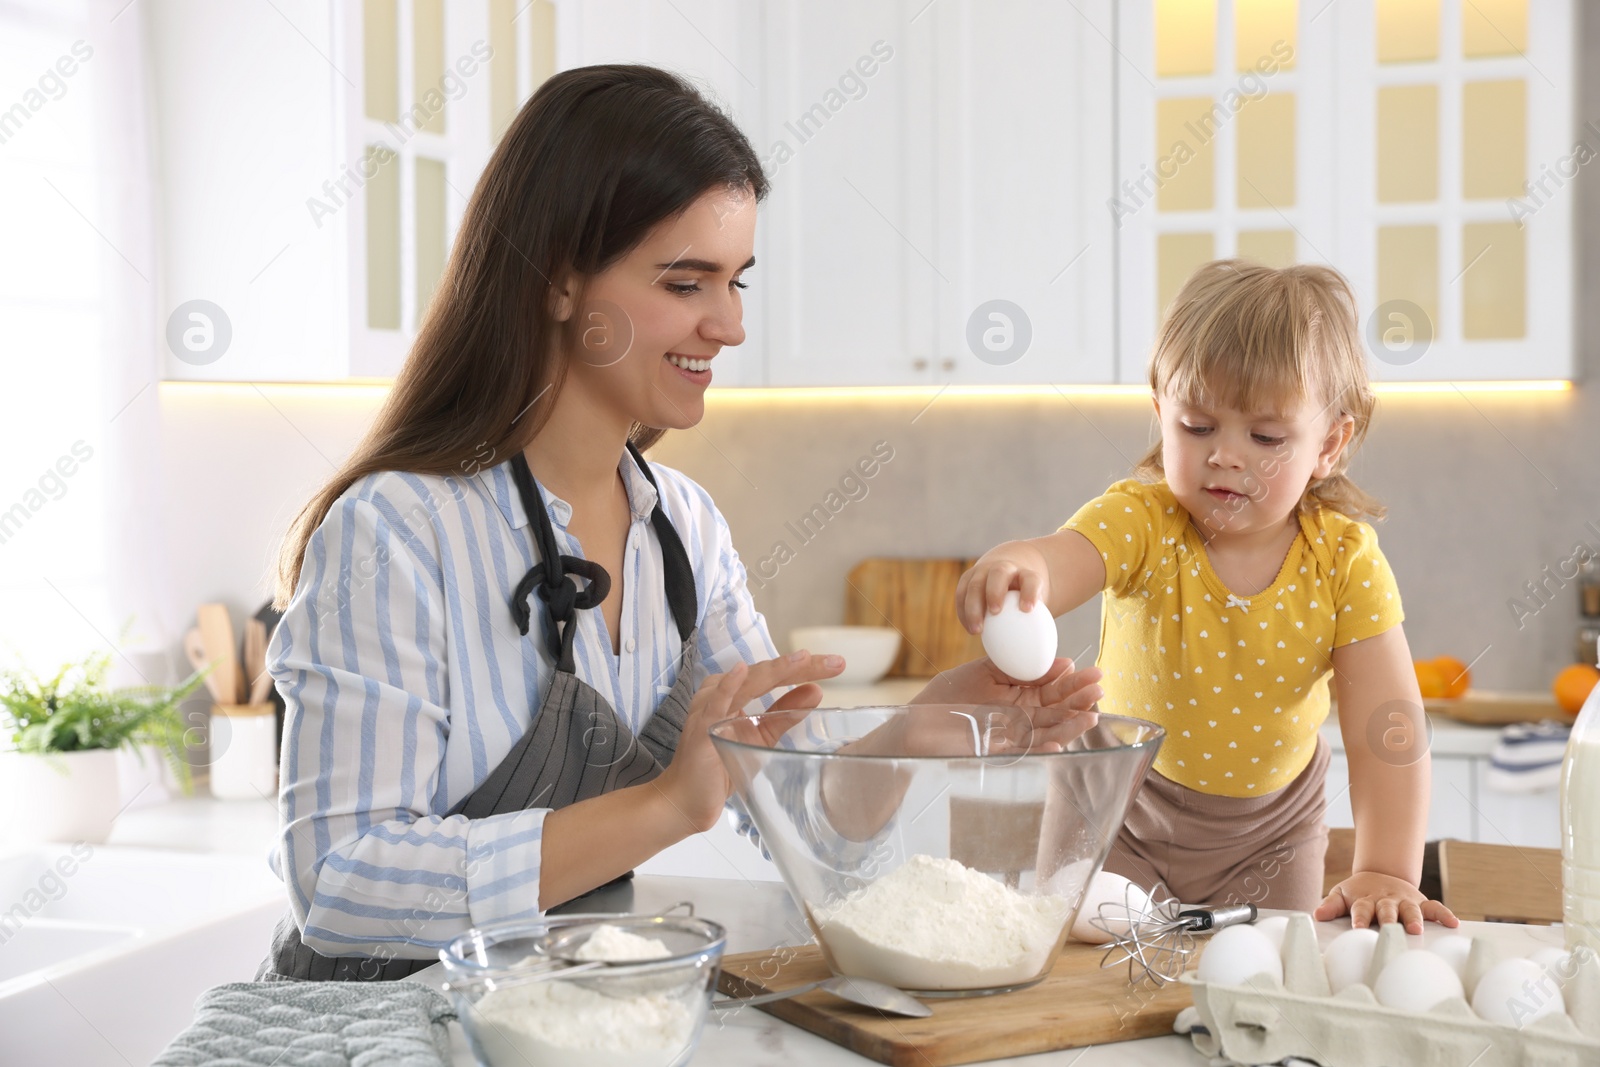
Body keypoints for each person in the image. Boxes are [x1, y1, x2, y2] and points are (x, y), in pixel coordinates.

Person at [256, 64, 1103, 981]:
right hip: (378, 1021)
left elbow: (801, 819)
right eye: (687, 282)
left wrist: (915, 731)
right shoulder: (396, 533)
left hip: (559, 1019)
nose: (729, 325)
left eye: (736, 281)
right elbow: (340, 886)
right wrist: (665, 805)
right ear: (558, 280)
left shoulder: (685, 532)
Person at [957, 260, 1459, 934]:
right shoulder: (1142, 520)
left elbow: (1388, 727)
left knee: (1256, 990)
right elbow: (1064, 558)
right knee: (1086, 976)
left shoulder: (1344, 562)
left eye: (1266, 437)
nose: (1226, 455)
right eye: (1198, 427)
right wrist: (1020, 565)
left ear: (1329, 444)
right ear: (1162, 413)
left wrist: (1388, 870)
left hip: (1270, 834)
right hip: (1115, 811)